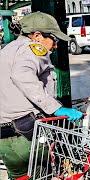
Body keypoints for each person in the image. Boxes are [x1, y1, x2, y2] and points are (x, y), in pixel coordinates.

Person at [0, 12, 82, 179]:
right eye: (54, 39)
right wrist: (56, 108)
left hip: (5, 138)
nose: (55, 46)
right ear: (37, 36)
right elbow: (21, 74)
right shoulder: (33, 49)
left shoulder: (8, 49)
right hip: (27, 134)